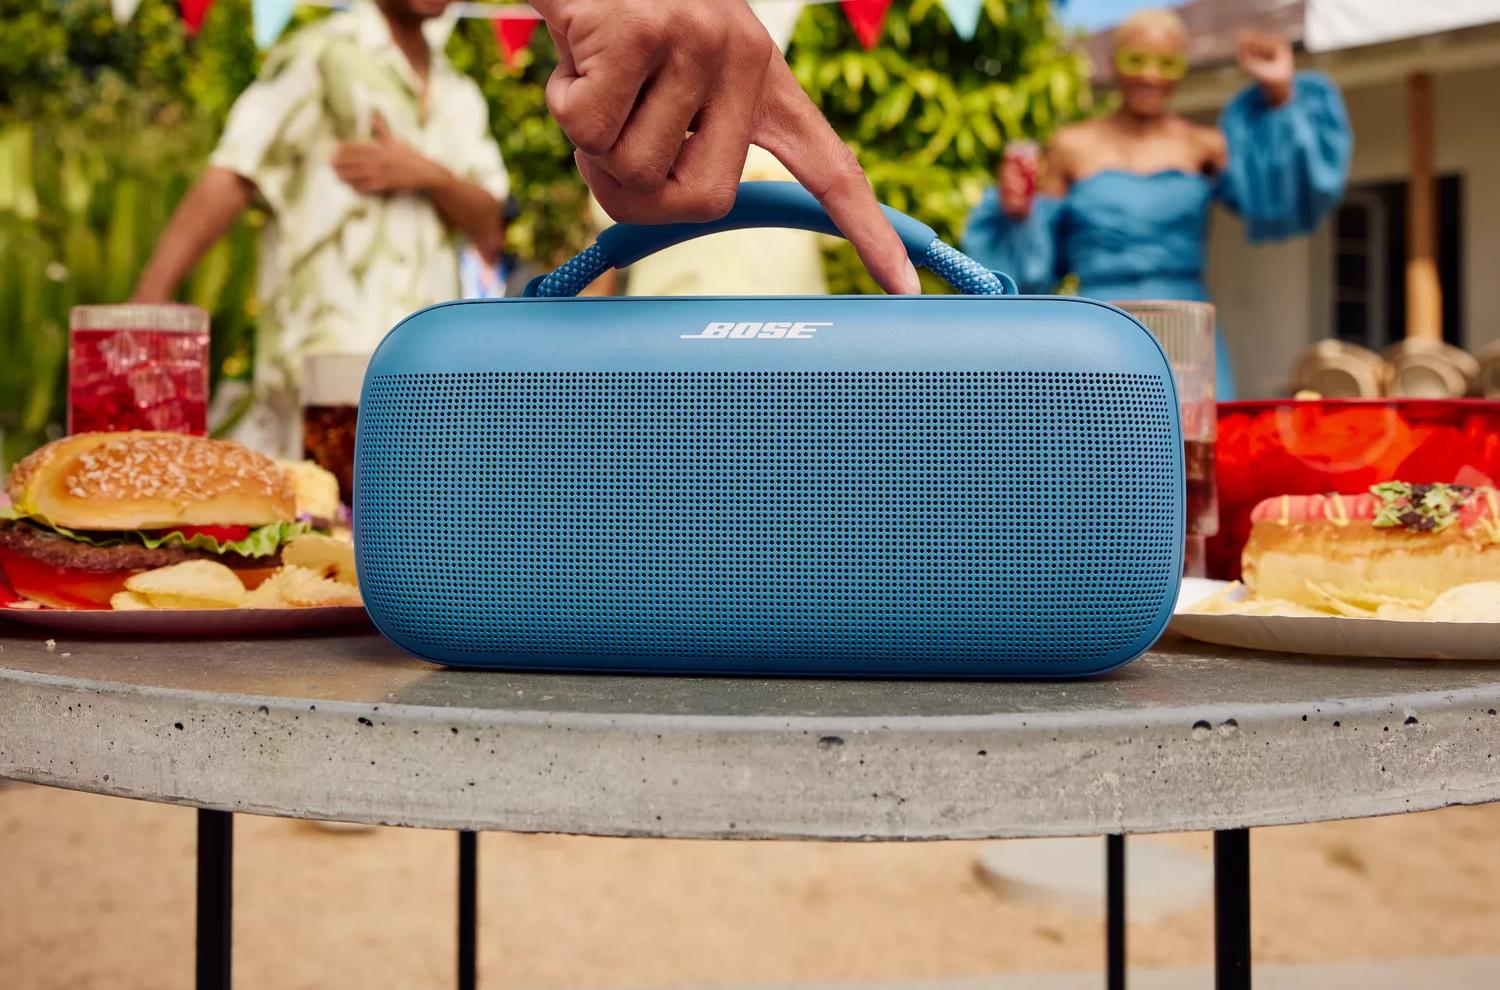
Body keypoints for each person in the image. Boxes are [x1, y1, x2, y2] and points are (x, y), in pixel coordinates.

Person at [133, 0, 509, 457]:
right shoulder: (315, 56)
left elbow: (491, 225)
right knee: (310, 523)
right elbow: (232, 175)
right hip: (314, 394)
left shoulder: (460, 93)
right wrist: (144, 306)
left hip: (424, 391)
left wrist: (429, 176)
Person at [960, 9, 1353, 399]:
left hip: (1187, 327)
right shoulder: (1070, 146)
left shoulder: (1206, 145)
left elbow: (1277, 196)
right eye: (1137, 60)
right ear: (1113, 64)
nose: (1150, 75)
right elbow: (1033, 264)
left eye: (1166, 63)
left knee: (1192, 444)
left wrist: (1279, 90)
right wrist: (1017, 213)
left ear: (1182, 68)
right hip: (1098, 326)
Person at [530, 0, 918, 297]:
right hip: (667, 342)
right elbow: (609, 254)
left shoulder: (797, 148)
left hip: (785, 345)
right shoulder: (643, 135)